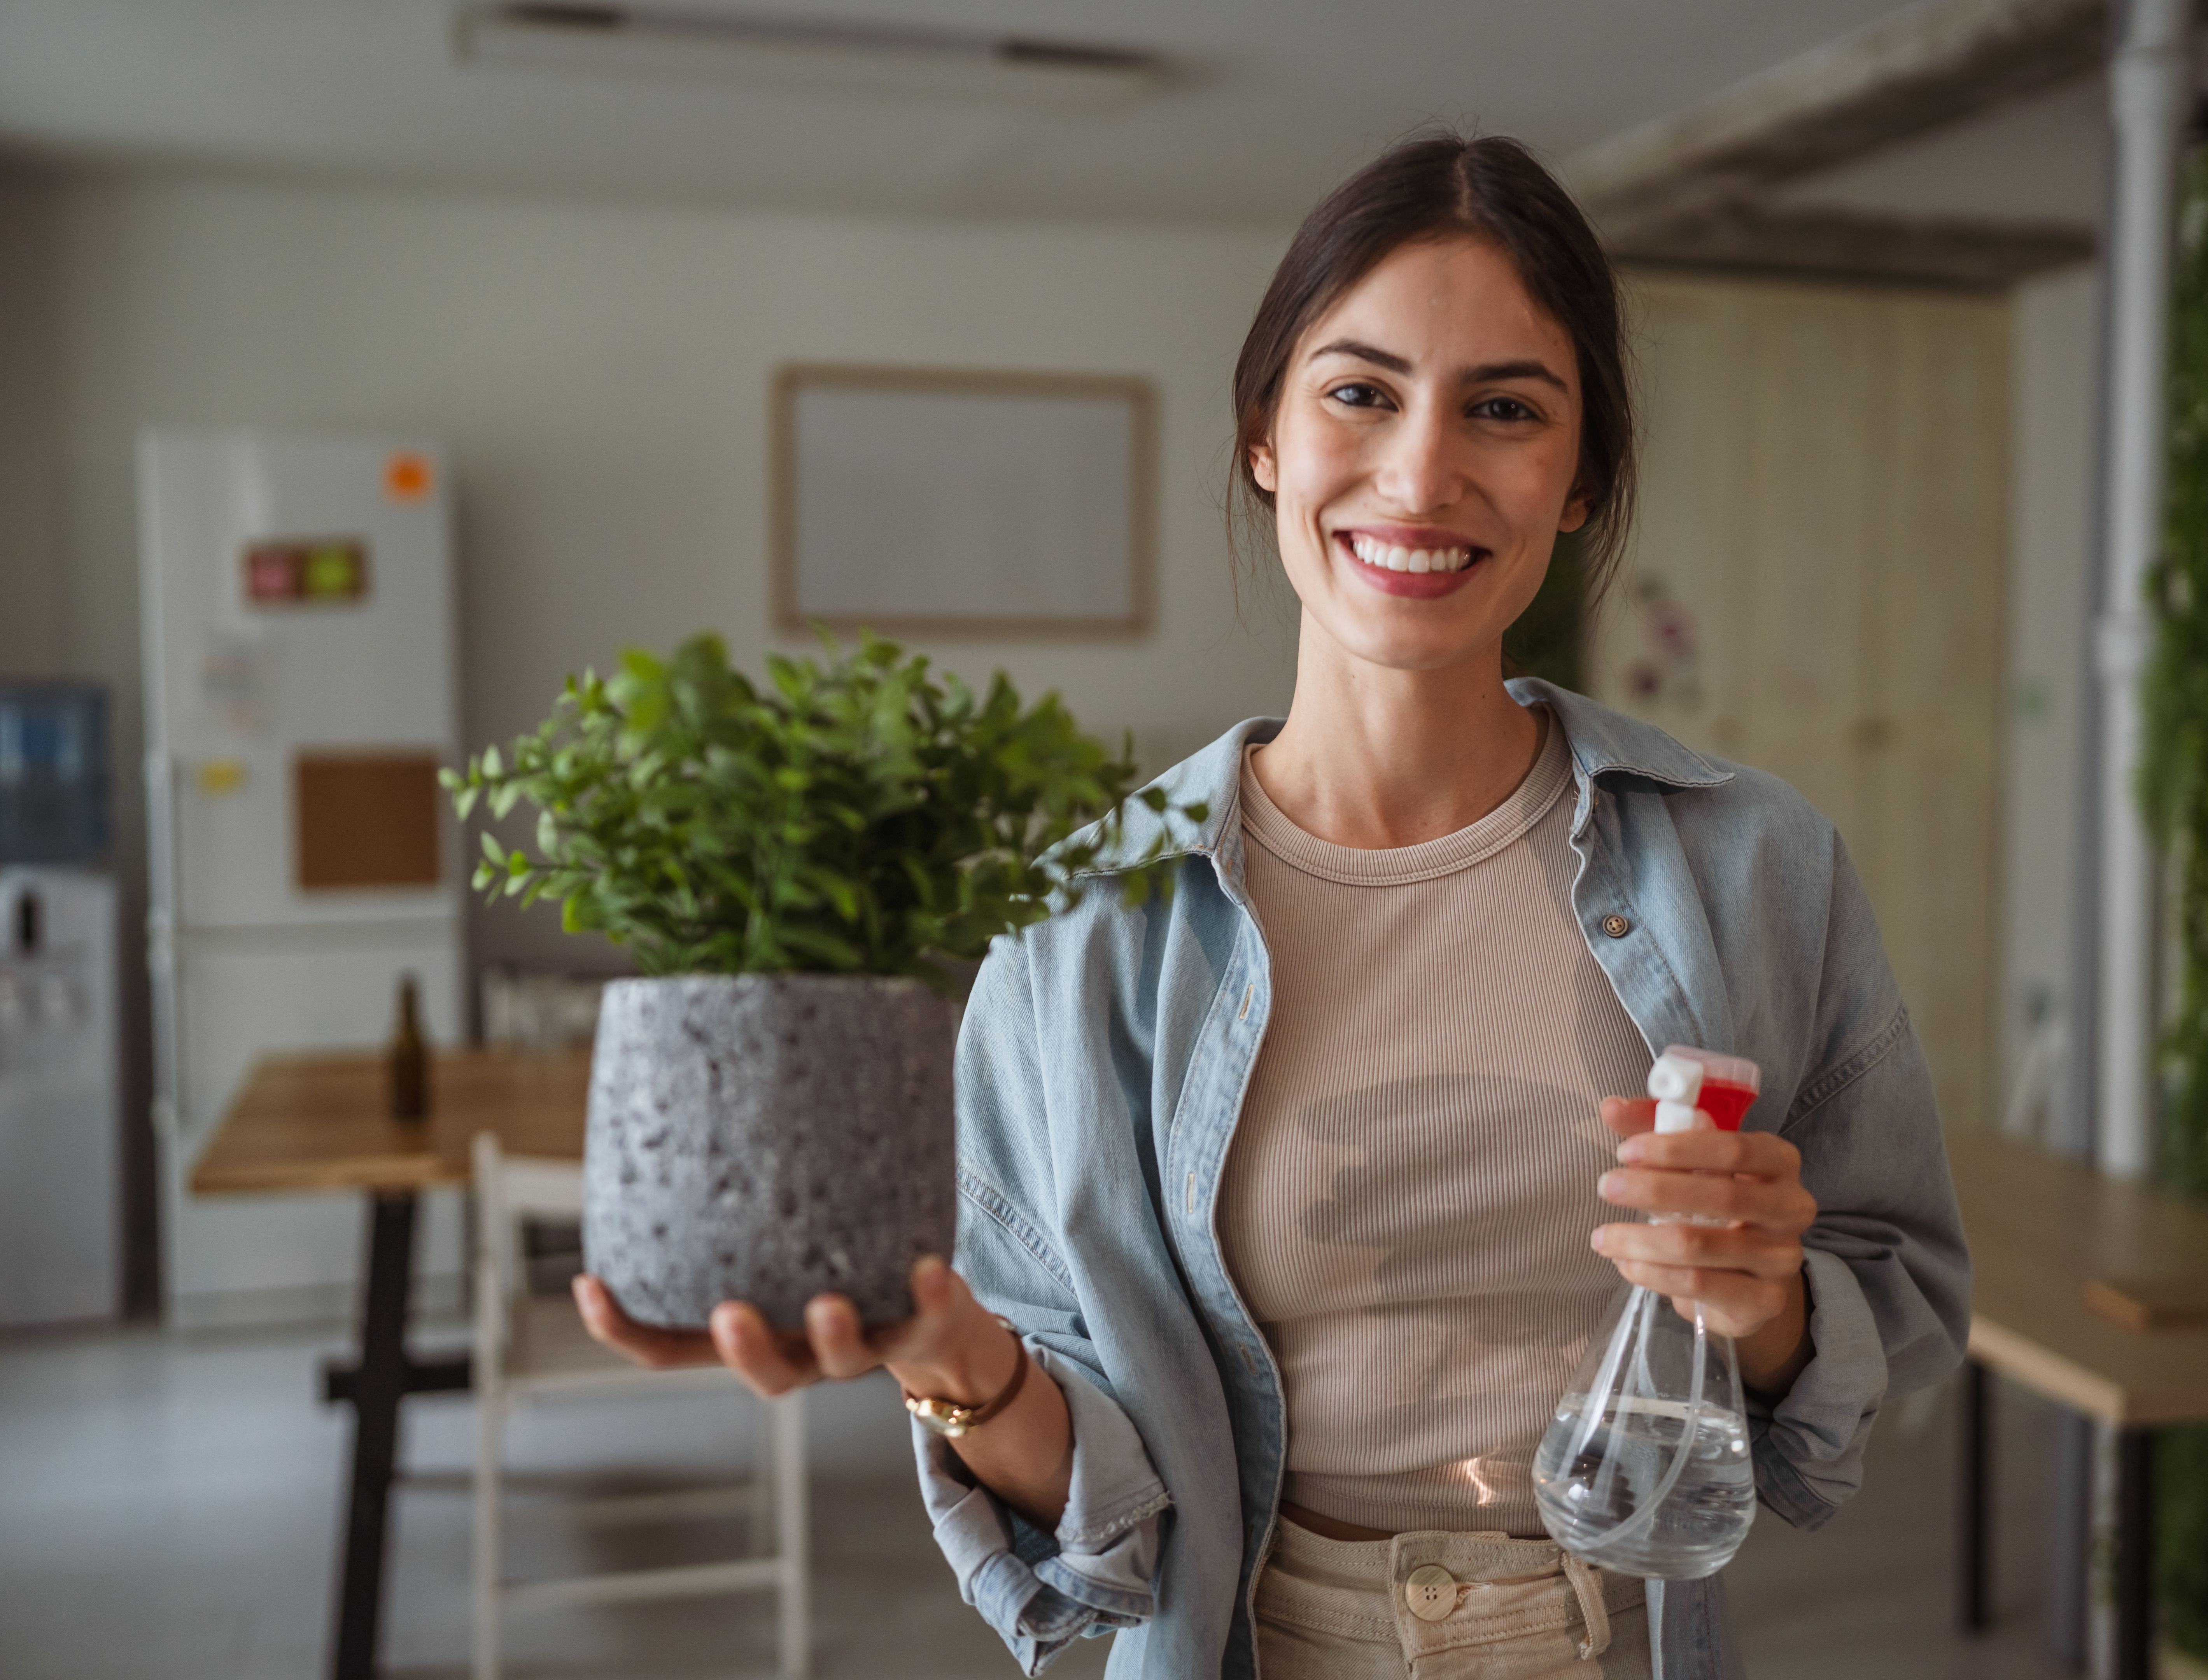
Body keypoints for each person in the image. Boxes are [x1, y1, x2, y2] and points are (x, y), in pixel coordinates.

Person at [577, 131, 1970, 1679]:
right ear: (1266, 439)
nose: (1423, 471)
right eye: (1360, 393)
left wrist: (1763, 1296)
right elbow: (1105, 1541)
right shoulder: (1086, 923)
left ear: (1580, 481)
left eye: (1503, 409)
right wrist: (953, 1364)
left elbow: (1891, 1303)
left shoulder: (1756, 865)